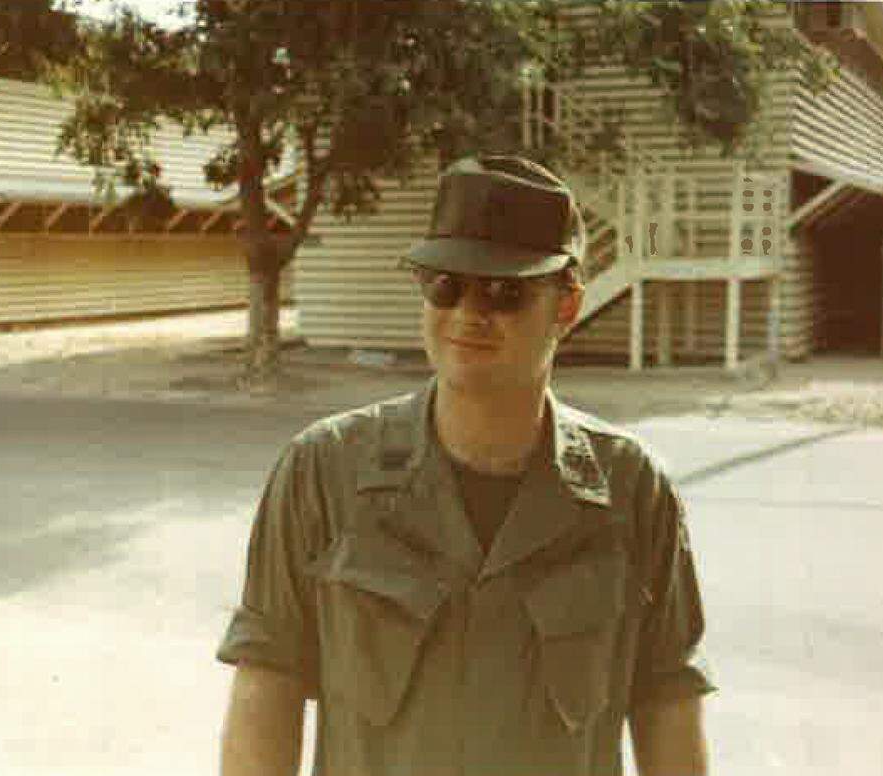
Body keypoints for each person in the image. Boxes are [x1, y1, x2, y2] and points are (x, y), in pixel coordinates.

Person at [216, 154, 715, 776]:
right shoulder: (323, 473)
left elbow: (667, 700)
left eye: (505, 292)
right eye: (445, 285)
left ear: (565, 306)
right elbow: (268, 679)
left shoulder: (632, 490)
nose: (468, 313)